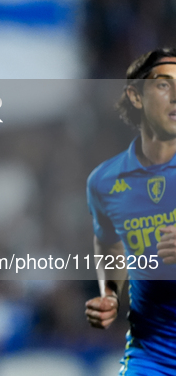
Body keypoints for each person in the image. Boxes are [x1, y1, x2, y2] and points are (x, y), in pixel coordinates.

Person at [85, 47, 176, 375]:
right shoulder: (105, 182)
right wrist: (110, 293)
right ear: (135, 97)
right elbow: (110, 242)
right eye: (164, 85)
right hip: (151, 358)